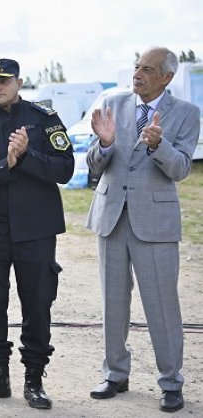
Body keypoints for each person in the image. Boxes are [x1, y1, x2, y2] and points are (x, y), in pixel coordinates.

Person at [85, 47, 199, 413]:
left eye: (148, 69)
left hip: (155, 222)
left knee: (162, 306)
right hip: (111, 217)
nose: (138, 74)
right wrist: (105, 143)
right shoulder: (112, 103)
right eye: (137, 67)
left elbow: (181, 169)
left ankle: (171, 383)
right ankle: (115, 374)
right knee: (113, 303)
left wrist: (159, 145)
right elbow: (94, 165)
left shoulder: (187, 113)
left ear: (166, 77)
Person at [0, 58, 74, 410]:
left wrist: (26, 157)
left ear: (19, 82)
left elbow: (65, 169)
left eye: (4, 80)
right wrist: (6, 164)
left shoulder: (44, 119)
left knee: (37, 304)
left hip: (35, 229)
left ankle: (34, 380)